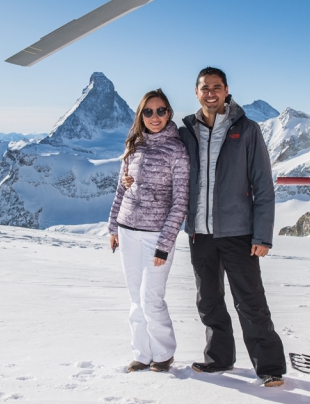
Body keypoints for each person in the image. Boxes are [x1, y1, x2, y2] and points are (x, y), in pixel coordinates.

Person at [180, 67, 285, 386]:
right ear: (196, 92)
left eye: (216, 86)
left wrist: (262, 235)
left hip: (239, 233)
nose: (210, 92)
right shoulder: (186, 131)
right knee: (208, 301)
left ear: (226, 90)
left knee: (250, 301)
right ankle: (219, 359)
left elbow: (263, 186)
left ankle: (269, 367)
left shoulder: (247, 129)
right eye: (204, 87)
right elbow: (160, 160)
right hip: (200, 234)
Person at [108, 88, 189, 374]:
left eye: (161, 111)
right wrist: (113, 227)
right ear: (141, 115)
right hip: (127, 229)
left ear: (169, 113)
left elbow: (181, 201)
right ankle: (142, 354)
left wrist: (165, 243)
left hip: (156, 235)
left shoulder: (177, 149)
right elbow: (122, 188)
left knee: (151, 298)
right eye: (148, 112)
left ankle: (164, 353)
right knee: (134, 297)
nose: (155, 117)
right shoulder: (134, 144)